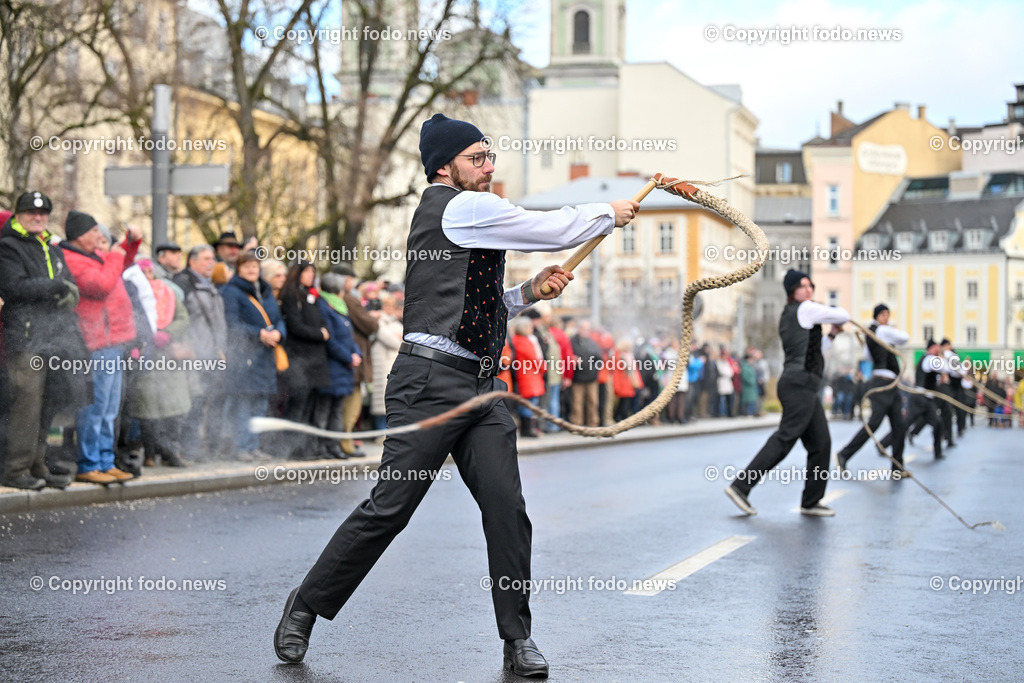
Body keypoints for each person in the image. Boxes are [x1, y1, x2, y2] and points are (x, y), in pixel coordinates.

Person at [274, 112, 640, 676]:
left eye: (490, 156)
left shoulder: (468, 216)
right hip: (428, 384)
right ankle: (305, 606)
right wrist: (605, 214)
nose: (489, 167)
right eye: (477, 158)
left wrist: (526, 293)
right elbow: (552, 228)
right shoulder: (461, 206)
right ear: (444, 166)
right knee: (390, 510)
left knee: (507, 510)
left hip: (481, 387)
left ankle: (517, 640)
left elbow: (478, 301)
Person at [724, 269, 850, 517]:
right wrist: (836, 318)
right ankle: (741, 486)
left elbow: (817, 348)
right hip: (799, 384)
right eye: (803, 286)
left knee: (821, 444)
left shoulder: (798, 315)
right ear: (792, 291)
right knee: (786, 437)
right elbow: (843, 313)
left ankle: (811, 501)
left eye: (810, 285)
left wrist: (833, 333)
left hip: (805, 386)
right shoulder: (805, 309)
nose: (809, 290)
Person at [0, 192, 89, 490]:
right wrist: (56, 287)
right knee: (26, 405)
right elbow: (14, 287)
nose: (37, 217)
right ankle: (15, 470)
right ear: (19, 214)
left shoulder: (51, 246)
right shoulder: (8, 246)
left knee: (47, 404)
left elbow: (69, 282)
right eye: (30, 212)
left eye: (42, 213)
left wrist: (68, 291)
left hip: (54, 337)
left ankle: (37, 465)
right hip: (26, 339)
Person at [60, 211, 141, 484]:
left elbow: (121, 262)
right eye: (95, 231)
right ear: (81, 235)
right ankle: (88, 463)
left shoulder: (93, 256)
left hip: (113, 342)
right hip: (97, 344)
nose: (100, 236)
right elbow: (101, 285)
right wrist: (118, 253)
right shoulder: (72, 259)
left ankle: (106, 461)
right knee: (95, 408)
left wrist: (131, 244)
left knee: (110, 408)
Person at [220, 250, 286, 460]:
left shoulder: (265, 292)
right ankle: (241, 447)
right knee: (244, 404)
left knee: (260, 404)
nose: (251, 269)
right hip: (245, 358)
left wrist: (278, 333)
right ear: (239, 268)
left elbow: (278, 320)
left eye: (254, 266)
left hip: (265, 358)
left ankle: (253, 445)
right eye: (246, 266)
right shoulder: (231, 292)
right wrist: (258, 334)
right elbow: (231, 324)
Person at [128, 259, 191, 468]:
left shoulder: (168, 292)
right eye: (142, 272)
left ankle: (170, 451)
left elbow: (183, 319)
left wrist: (167, 332)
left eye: (150, 271)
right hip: (144, 355)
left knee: (173, 408)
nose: (147, 276)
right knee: (147, 410)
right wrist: (144, 336)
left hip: (168, 357)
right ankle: (149, 452)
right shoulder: (132, 292)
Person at [835, 304, 909, 473]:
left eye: (888, 314)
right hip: (882, 384)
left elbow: (868, 355)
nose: (886, 318)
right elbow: (905, 337)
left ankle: (898, 466)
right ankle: (844, 454)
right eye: (883, 314)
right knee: (874, 424)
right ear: (876, 316)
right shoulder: (881, 331)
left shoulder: (873, 334)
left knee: (899, 425)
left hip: (891, 385)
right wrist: (891, 330)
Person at [173, 245, 229, 459]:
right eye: (206, 259)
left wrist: (221, 348)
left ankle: (197, 446)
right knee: (192, 402)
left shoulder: (211, 286)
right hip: (192, 354)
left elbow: (218, 323)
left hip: (211, 354)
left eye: (212, 259)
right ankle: (187, 446)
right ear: (192, 261)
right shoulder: (184, 283)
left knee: (205, 400)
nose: (211, 263)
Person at [278, 261, 331, 459]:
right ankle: (292, 449)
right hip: (299, 357)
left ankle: (306, 448)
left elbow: (323, 321)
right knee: (298, 404)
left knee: (310, 405)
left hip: (315, 359)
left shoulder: (314, 296)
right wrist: (320, 334)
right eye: (306, 271)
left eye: (312, 272)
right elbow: (295, 325)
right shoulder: (291, 295)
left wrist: (323, 332)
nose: (310, 275)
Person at [312, 272, 361, 459]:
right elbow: (330, 339)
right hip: (333, 365)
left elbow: (350, 335)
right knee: (324, 409)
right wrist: (348, 357)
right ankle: (321, 447)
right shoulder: (325, 306)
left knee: (337, 410)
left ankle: (334, 446)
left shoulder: (341, 307)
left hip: (344, 367)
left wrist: (357, 353)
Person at [368, 290, 403, 432]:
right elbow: (393, 341)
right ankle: (379, 430)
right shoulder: (379, 321)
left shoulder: (396, 322)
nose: (389, 308)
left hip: (393, 363)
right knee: (380, 399)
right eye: (387, 305)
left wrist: (398, 337)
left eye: (392, 305)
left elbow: (403, 338)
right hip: (382, 364)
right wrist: (398, 337)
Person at [569, 319, 602, 427]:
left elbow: (599, 359)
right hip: (577, 377)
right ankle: (577, 424)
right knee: (577, 403)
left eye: (587, 329)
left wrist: (594, 369)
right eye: (583, 328)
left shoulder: (592, 343)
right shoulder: (572, 341)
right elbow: (566, 355)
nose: (585, 331)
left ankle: (593, 423)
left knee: (593, 402)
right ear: (578, 329)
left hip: (591, 378)